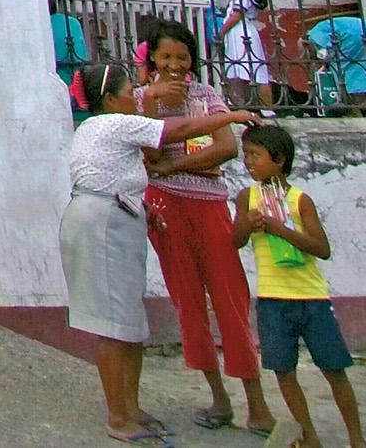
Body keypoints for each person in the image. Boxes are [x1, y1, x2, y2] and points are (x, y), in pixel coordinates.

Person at [65, 58, 250, 444]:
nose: (136, 95)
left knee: (128, 322)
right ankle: (118, 416)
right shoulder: (113, 123)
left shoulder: (103, 129)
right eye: (129, 90)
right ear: (111, 98)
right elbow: (177, 128)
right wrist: (230, 115)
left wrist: (144, 209)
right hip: (102, 224)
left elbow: (116, 174)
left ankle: (131, 408)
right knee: (114, 327)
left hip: (117, 215)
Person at [134, 21, 274, 436]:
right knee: (188, 299)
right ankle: (218, 397)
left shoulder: (207, 95)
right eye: (166, 58)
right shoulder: (142, 99)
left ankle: (257, 402)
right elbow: (145, 149)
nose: (175, 65)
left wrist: (173, 165)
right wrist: (154, 101)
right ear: (153, 60)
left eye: (182, 57)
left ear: (192, 60)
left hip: (210, 204)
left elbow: (226, 147)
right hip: (165, 208)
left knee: (230, 294)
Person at [232, 124, 364, 448]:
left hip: (311, 298)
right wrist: (247, 225)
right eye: (246, 155)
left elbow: (322, 248)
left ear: (278, 160)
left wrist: (278, 228)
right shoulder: (247, 198)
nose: (248, 162)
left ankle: (356, 438)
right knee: (283, 371)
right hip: (272, 298)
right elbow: (234, 241)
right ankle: (309, 435)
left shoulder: (299, 200)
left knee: (334, 369)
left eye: (256, 156)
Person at [216, 0, 276, 106]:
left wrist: (221, 32)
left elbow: (236, 15)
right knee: (239, 70)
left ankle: (264, 107)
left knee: (255, 71)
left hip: (241, 33)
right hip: (240, 33)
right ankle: (245, 105)